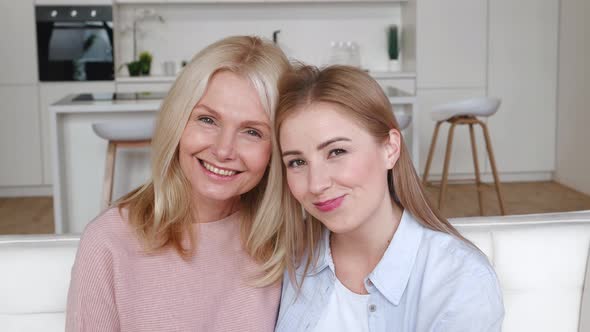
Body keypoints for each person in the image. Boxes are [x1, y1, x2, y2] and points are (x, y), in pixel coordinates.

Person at [65, 36, 290, 331]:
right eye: (208, 120)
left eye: (252, 132)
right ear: (178, 122)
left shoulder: (287, 241)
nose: (224, 150)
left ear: (276, 149)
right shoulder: (108, 242)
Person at [274, 65, 504, 332]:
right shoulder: (289, 262)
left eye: (336, 152)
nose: (316, 184)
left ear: (390, 148)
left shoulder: (459, 281)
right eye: (297, 161)